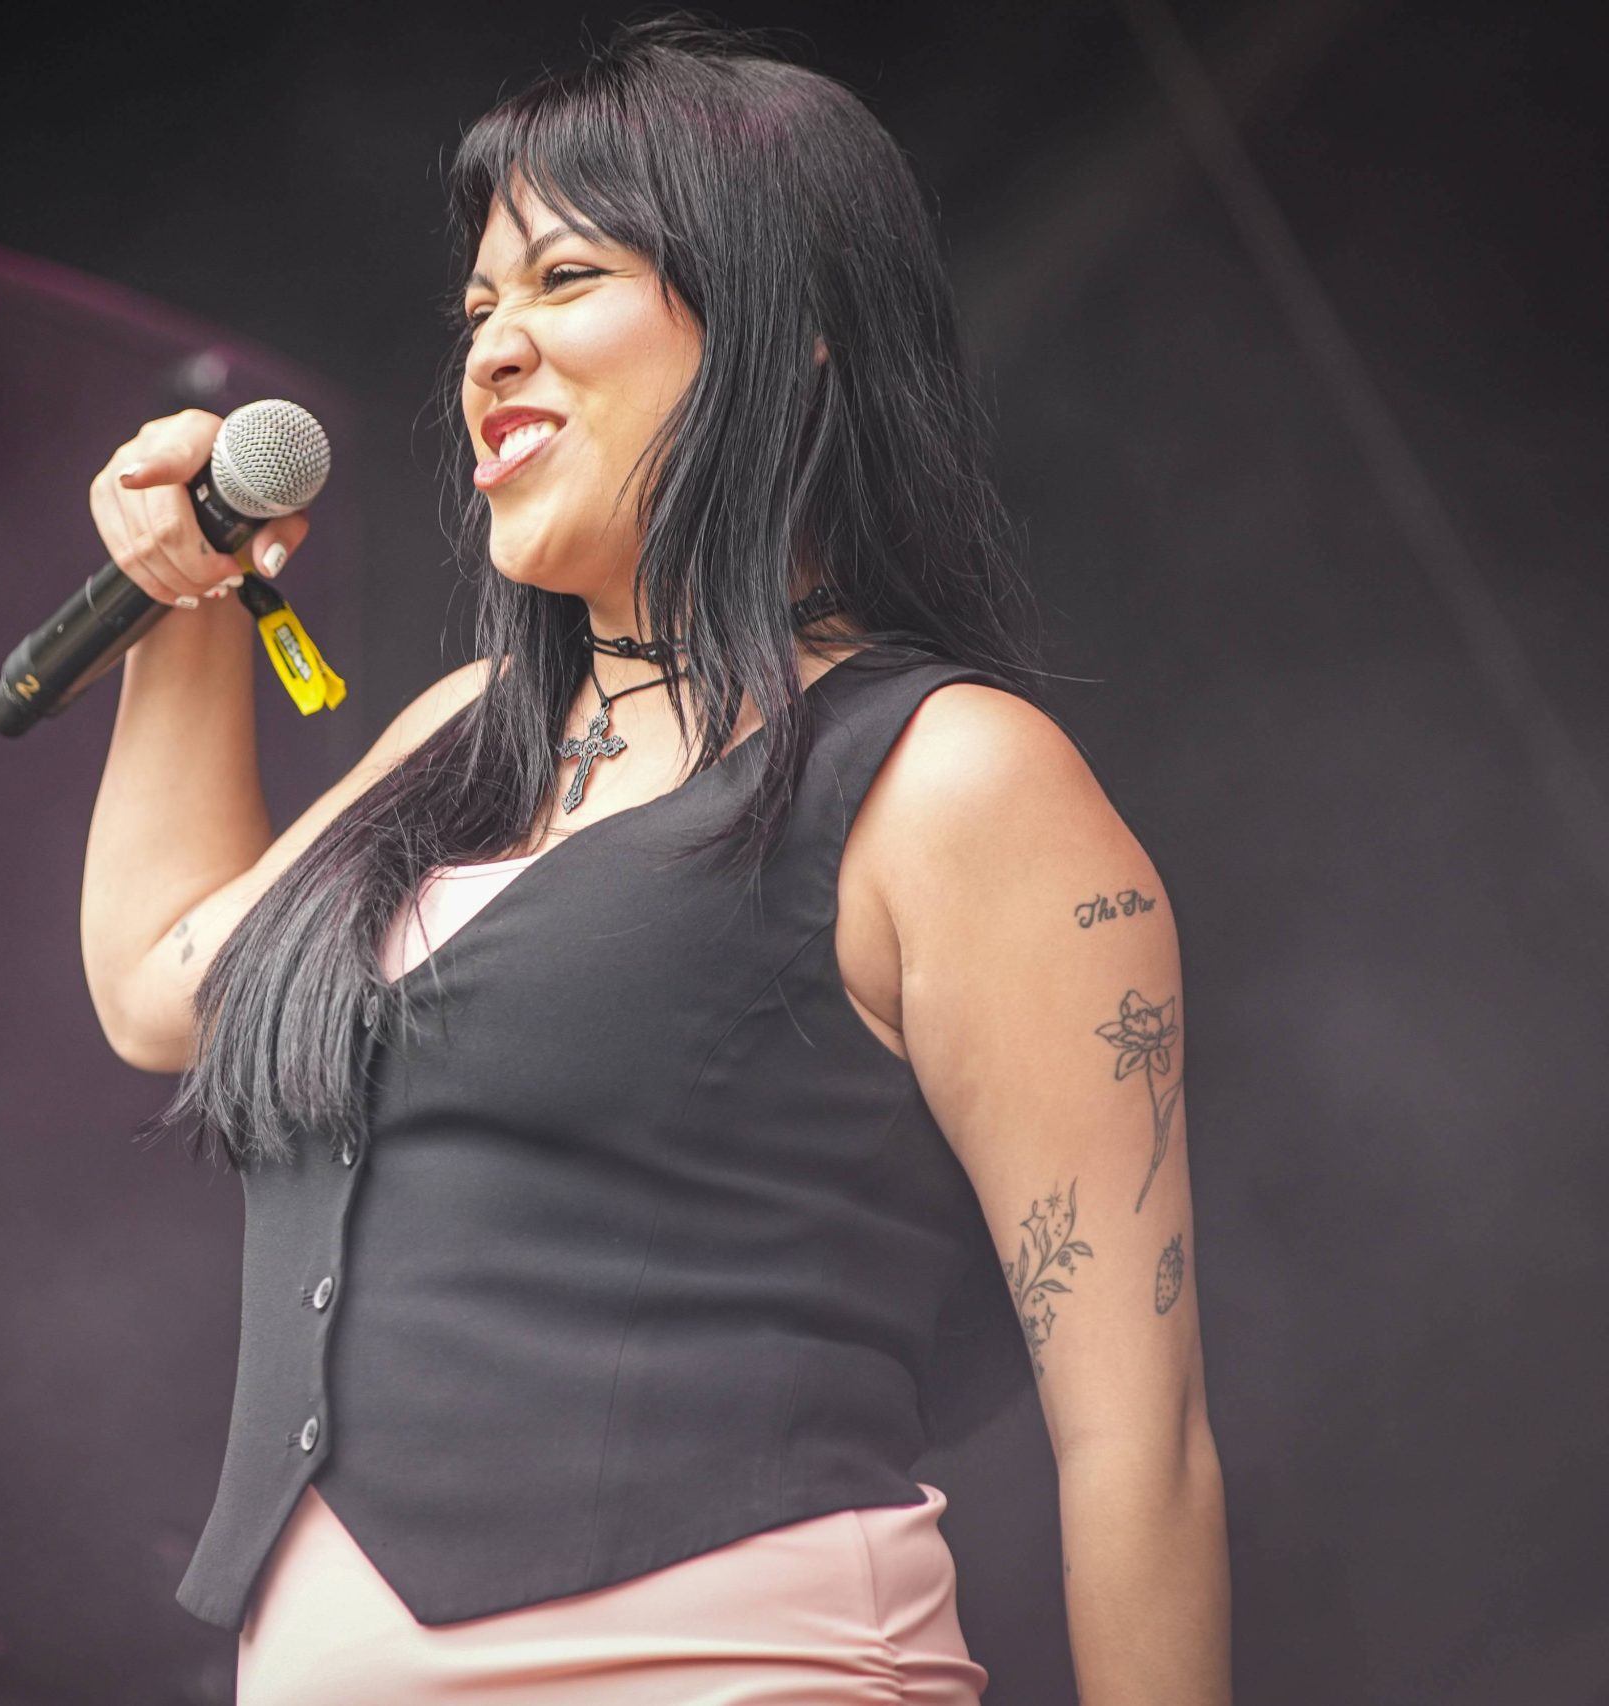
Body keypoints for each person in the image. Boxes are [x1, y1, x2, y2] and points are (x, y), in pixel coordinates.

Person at [77, 18, 1229, 1705]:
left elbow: (1140, 1440)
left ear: (788, 324)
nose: (492, 350)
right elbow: (160, 982)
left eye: (564, 280)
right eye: (478, 308)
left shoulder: (949, 776)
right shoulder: (468, 736)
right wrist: (186, 603)